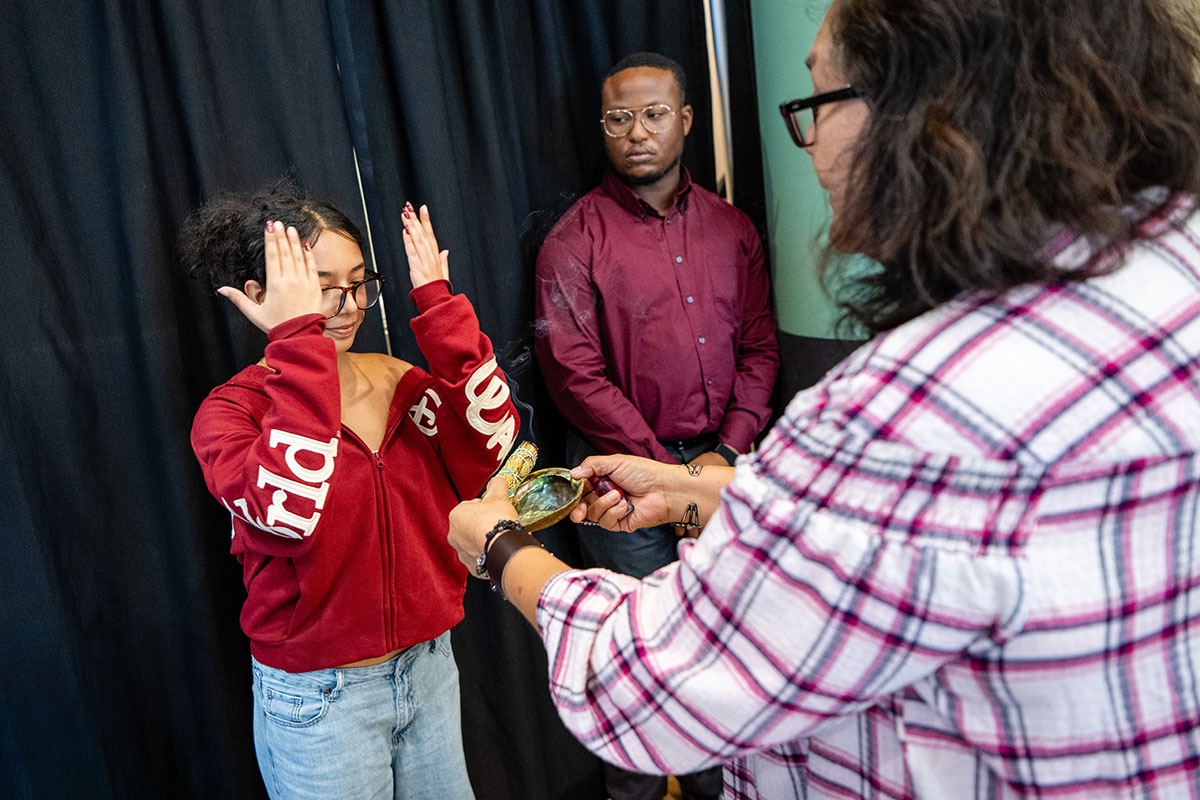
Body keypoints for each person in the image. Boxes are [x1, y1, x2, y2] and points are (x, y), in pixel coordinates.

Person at [448, 0, 1200, 797]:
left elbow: (657, 689)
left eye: (817, 104)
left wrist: (501, 546)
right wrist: (698, 486)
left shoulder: (899, 411)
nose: (809, 150)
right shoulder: (1175, 272)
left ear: (926, 107)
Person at [183, 183, 517, 800]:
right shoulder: (232, 415)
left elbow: (491, 442)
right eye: (318, 288)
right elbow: (290, 512)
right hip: (318, 701)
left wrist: (440, 310)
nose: (346, 305)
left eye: (359, 282)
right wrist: (297, 346)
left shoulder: (402, 383)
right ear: (259, 297)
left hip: (429, 670)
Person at [534, 51, 778, 799]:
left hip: (725, 466)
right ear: (601, 127)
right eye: (618, 118)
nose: (636, 132)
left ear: (686, 121)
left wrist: (721, 458)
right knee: (630, 664)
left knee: (729, 660)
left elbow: (761, 347)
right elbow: (575, 378)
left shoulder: (733, 230)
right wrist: (669, 477)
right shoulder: (574, 240)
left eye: (653, 114)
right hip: (619, 482)